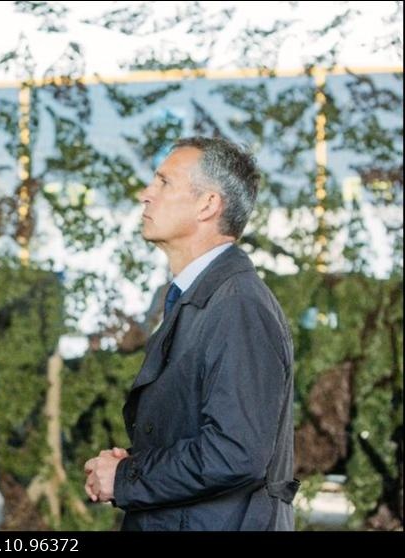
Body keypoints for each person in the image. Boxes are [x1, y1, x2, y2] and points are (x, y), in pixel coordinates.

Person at [83, 136, 299, 531]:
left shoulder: (238, 305)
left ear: (208, 204)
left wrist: (127, 477)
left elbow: (236, 453)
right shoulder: (202, 298)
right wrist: (130, 467)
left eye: (164, 182)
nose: (146, 195)